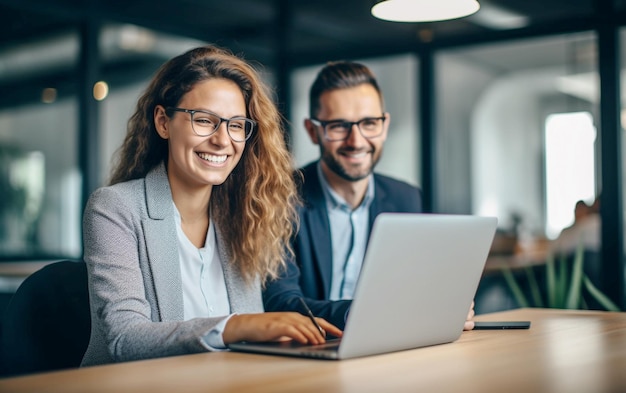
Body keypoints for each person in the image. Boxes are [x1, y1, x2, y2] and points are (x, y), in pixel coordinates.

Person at [81, 45, 341, 367]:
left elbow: (249, 344)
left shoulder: (244, 214)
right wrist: (236, 325)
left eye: (236, 125)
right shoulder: (115, 208)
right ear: (163, 122)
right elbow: (124, 338)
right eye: (204, 120)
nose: (222, 140)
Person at [263, 61, 475, 330]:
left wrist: (443, 305)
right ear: (312, 131)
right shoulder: (278, 198)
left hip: (388, 346)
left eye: (369, 123)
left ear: (384, 126)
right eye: (339, 126)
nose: (357, 141)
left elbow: (415, 286)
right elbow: (281, 303)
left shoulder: (406, 198)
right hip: (308, 354)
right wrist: (364, 313)